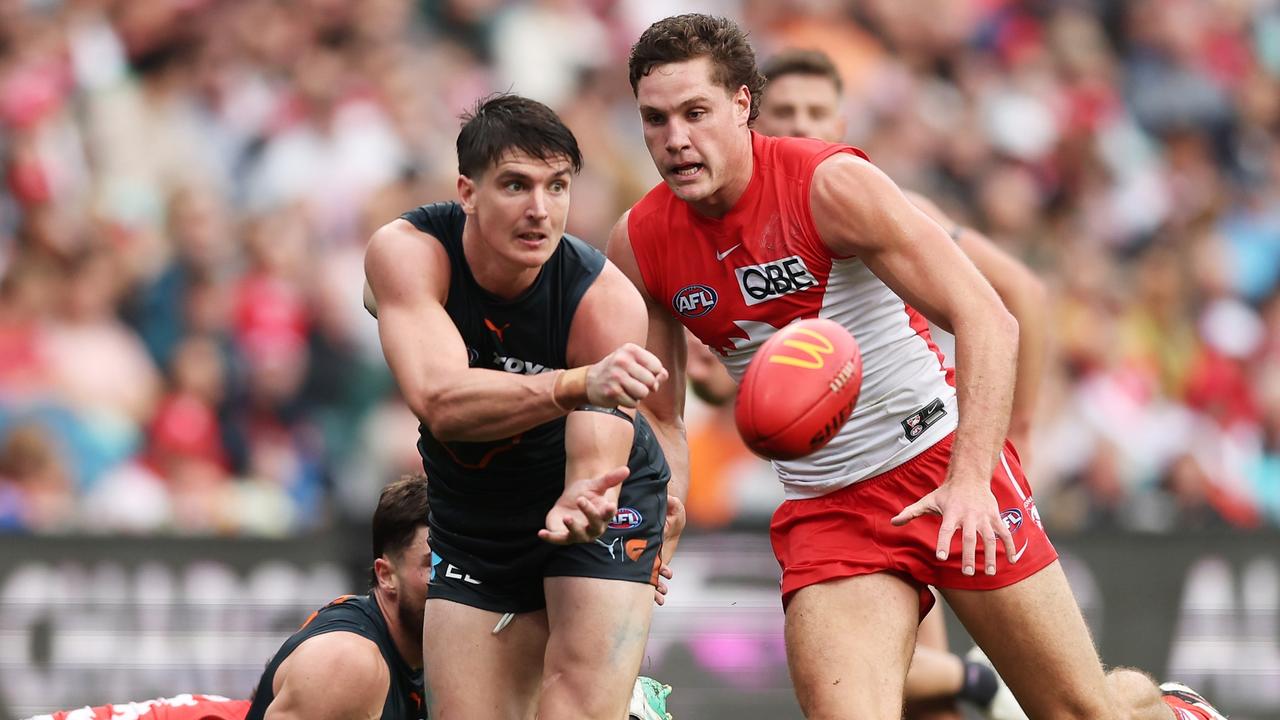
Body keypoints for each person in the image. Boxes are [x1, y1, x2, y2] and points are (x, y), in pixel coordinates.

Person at [610, 13, 1226, 720]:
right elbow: (661, 412)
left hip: (939, 464)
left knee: (1081, 712)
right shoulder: (638, 241)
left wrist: (972, 478)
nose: (675, 140)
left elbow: (992, 316)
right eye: (655, 120)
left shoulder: (829, 185)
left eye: (695, 113)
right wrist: (665, 507)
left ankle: (1170, 712)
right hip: (827, 508)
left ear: (743, 105)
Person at [683, 47, 1049, 720]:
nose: (800, 125)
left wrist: (1013, 436)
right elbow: (716, 382)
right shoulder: (715, 228)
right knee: (898, 691)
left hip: (936, 457)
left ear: (842, 118)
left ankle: (1150, 708)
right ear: (755, 121)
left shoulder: (880, 199)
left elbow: (1016, 295)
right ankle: (976, 687)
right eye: (785, 112)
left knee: (1053, 703)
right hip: (830, 492)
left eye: (815, 112)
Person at [363, 94, 677, 720]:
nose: (540, 210)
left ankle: (622, 703)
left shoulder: (604, 302)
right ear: (467, 191)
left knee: (572, 710)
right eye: (516, 185)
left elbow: (595, 469)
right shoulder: (409, 252)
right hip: (473, 514)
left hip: (593, 513)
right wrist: (575, 384)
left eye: (557, 186)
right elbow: (441, 401)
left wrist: (586, 501)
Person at [24, 474, 674, 720]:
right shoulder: (350, 666)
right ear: (384, 577)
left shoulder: (474, 648)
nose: (459, 579)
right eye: (438, 564)